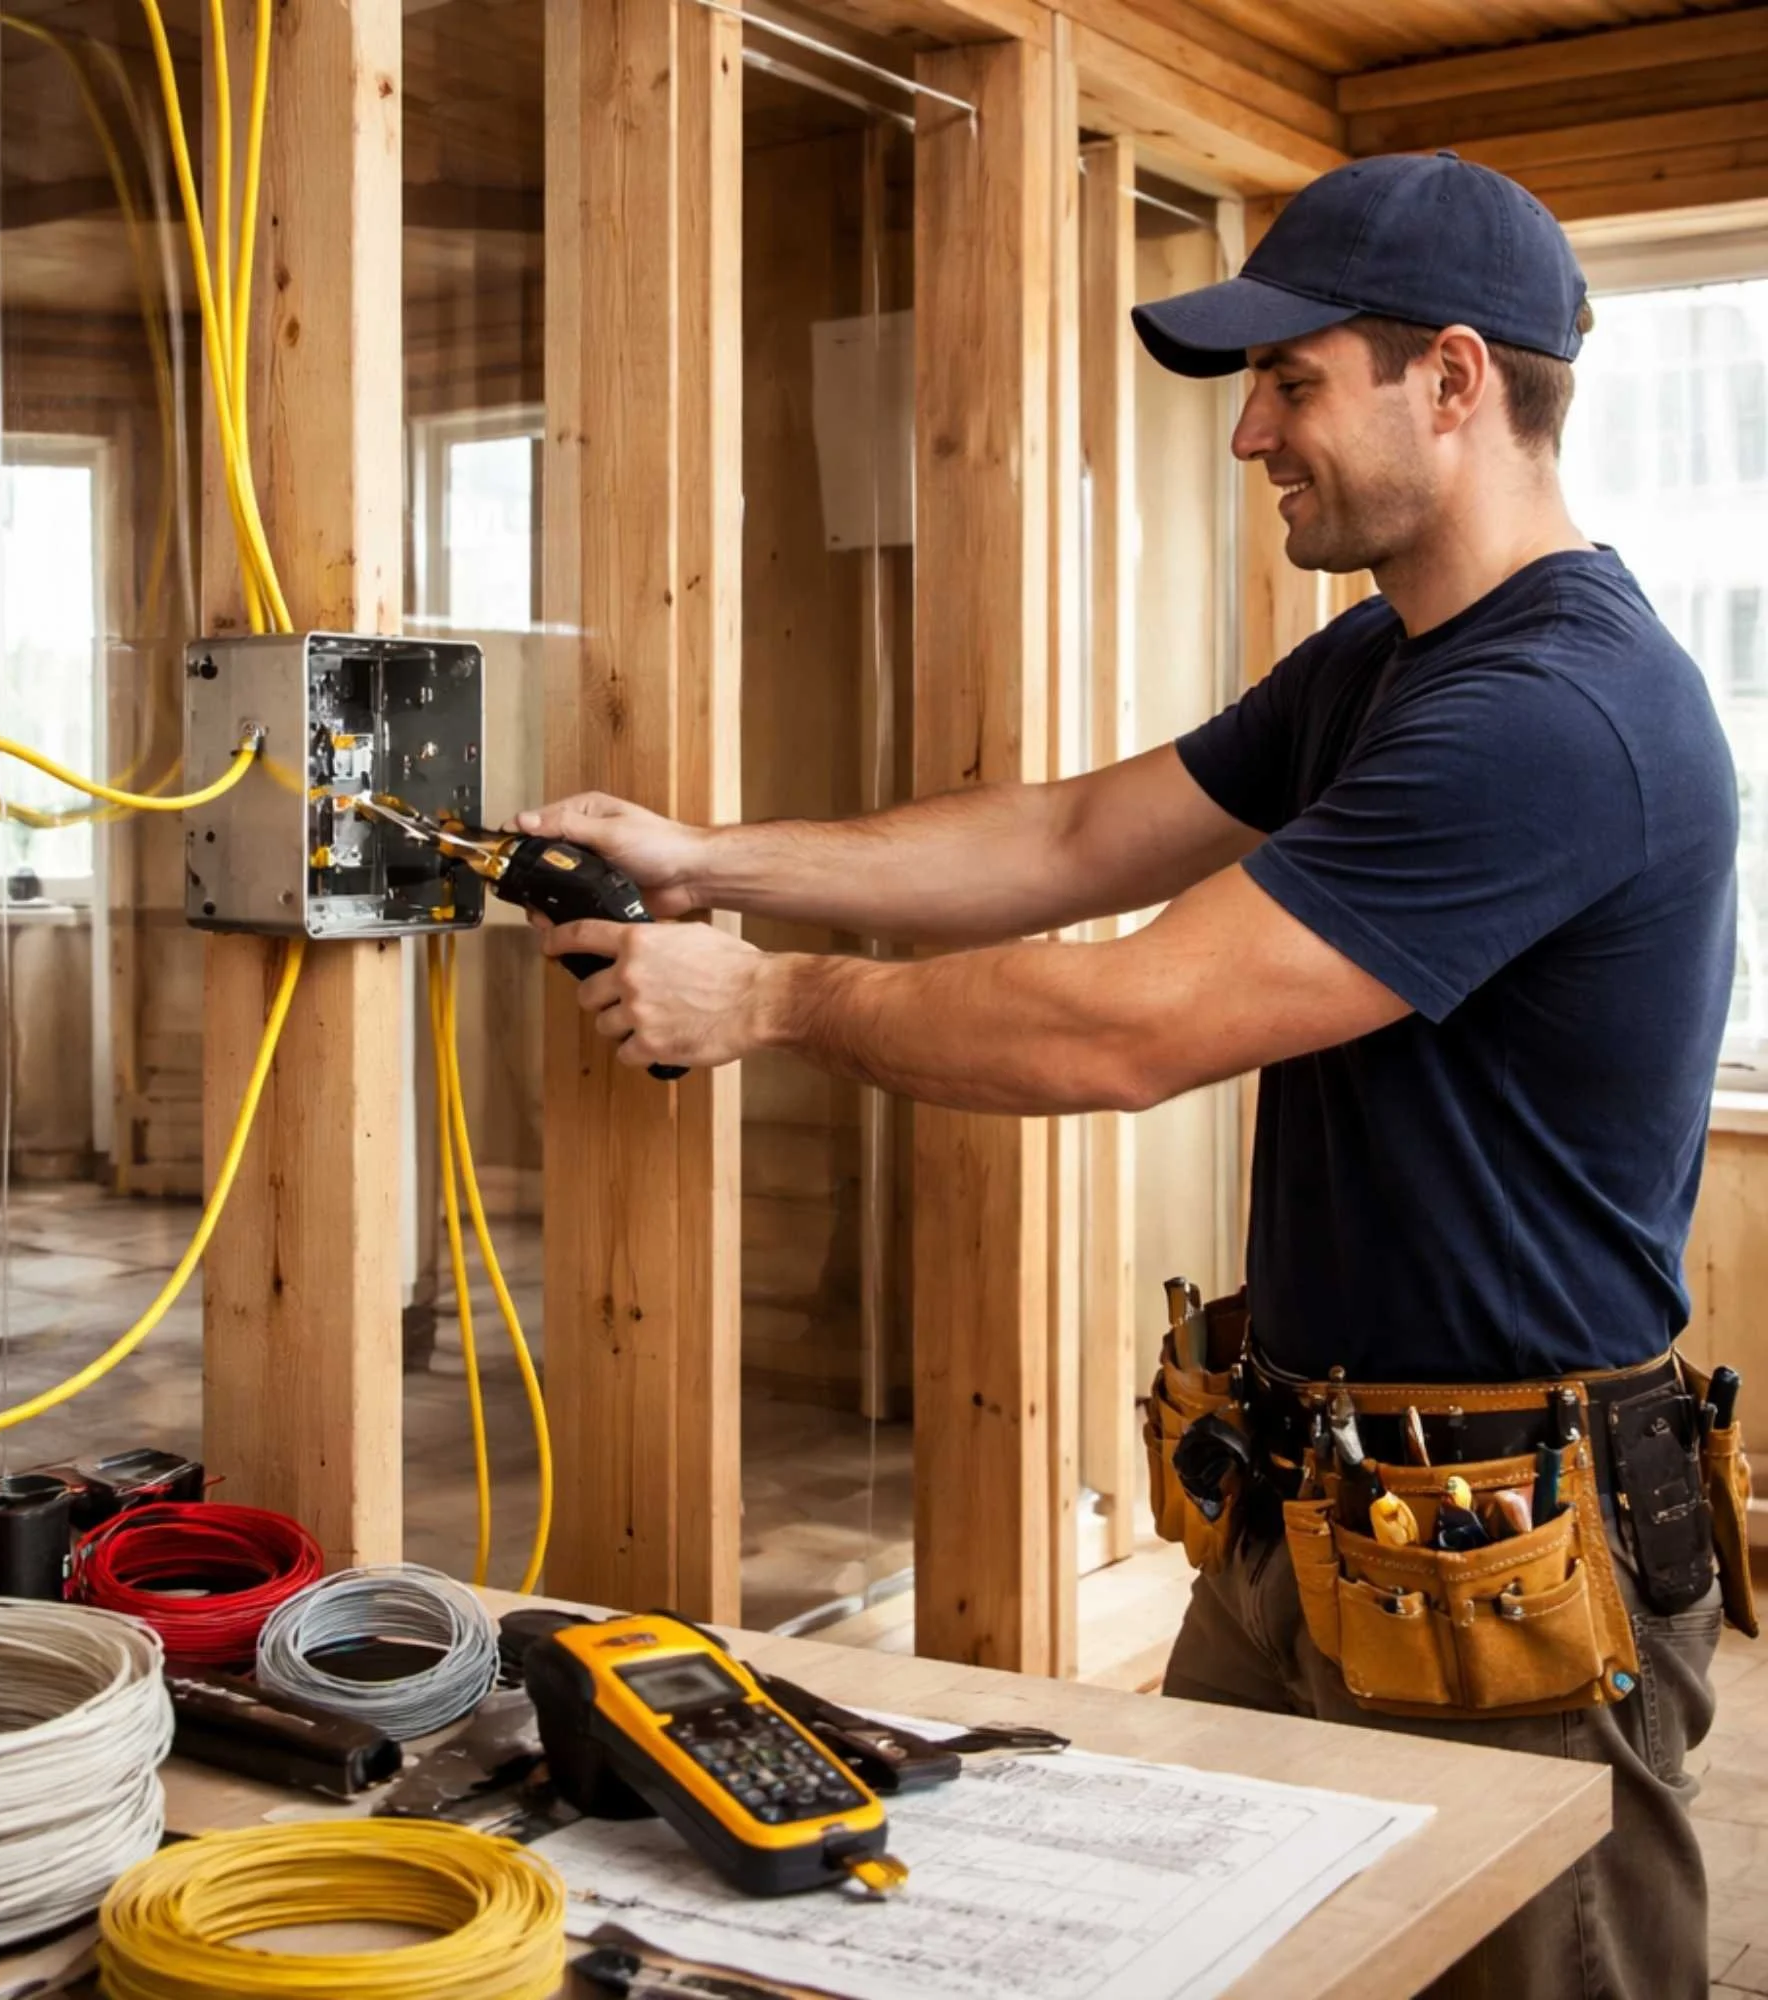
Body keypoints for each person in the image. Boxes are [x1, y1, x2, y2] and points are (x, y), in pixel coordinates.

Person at [519, 152, 1746, 1997]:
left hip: (1498, 1560)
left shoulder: (1551, 716)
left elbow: (1128, 1024)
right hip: (1303, 1510)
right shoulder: (1381, 666)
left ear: (1457, 379)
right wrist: (712, 857)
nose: (1250, 435)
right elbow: (1084, 834)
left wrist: (768, 1003)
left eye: (1291, 381)